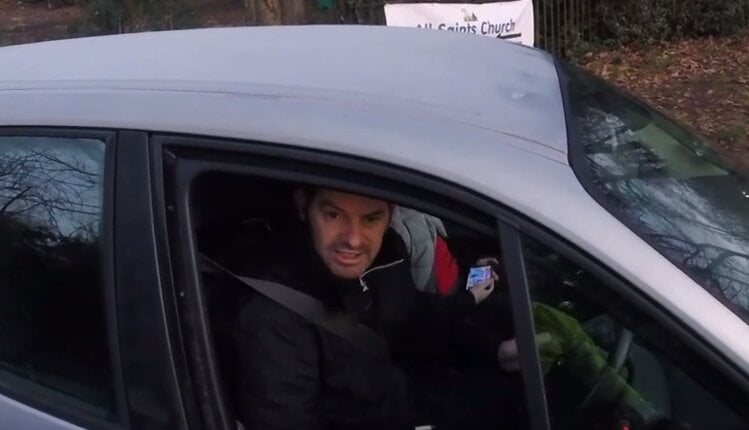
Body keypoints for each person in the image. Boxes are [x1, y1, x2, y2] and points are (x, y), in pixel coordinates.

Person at [233, 187, 520, 430]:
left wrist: (494, 350)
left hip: (409, 397)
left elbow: (419, 322)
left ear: (390, 215)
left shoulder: (387, 254)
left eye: (371, 219)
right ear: (303, 207)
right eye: (333, 215)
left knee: (524, 396)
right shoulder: (274, 314)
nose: (354, 239)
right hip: (385, 414)